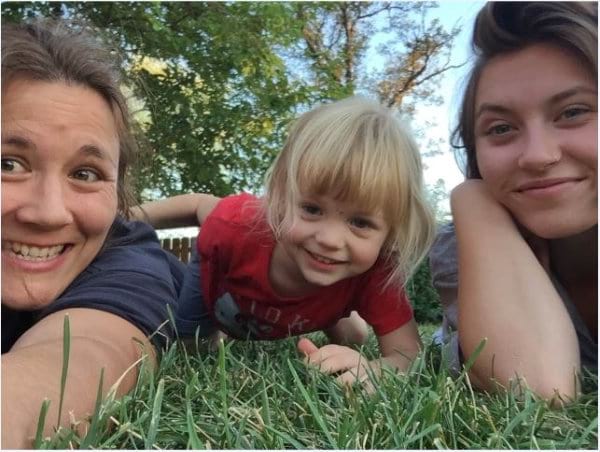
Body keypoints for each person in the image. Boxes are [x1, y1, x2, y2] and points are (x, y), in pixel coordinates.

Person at [134, 96, 436, 386]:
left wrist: (376, 371)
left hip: (319, 301)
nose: (329, 239)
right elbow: (197, 204)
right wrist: (128, 215)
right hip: (216, 282)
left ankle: (338, 316)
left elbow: (408, 356)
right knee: (189, 348)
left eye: (360, 222)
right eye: (311, 209)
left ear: (391, 234)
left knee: (354, 340)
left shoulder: (378, 275)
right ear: (279, 198)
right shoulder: (239, 224)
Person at [1, 20, 185, 448]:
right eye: (9, 164)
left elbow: (89, 351)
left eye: (85, 174)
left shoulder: (128, 258)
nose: (48, 213)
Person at [429, 1, 597, 400]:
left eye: (573, 112)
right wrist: (471, 198)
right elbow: (536, 387)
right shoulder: (463, 244)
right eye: (500, 128)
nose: (538, 155)